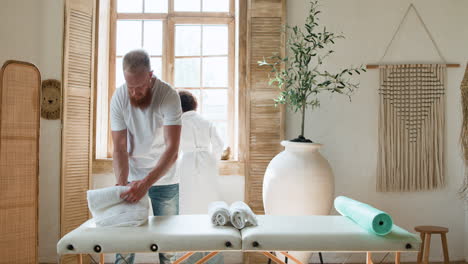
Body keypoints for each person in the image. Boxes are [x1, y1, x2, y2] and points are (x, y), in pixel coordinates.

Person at [110, 49, 182, 264]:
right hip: (132, 176)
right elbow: (119, 147)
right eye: (130, 86)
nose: (134, 93)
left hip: (165, 177)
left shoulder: (168, 96)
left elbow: (172, 150)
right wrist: (121, 185)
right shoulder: (119, 97)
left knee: (167, 244)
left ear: (151, 76)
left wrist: (146, 183)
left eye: (140, 87)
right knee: (124, 243)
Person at [177, 90, 224, 264]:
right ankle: (212, 259)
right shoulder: (206, 121)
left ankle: (189, 259)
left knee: (187, 209)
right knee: (210, 209)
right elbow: (219, 144)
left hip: (187, 162)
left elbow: (172, 149)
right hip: (208, 162)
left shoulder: (177, 123)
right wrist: (214, 159)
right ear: (194, 105)